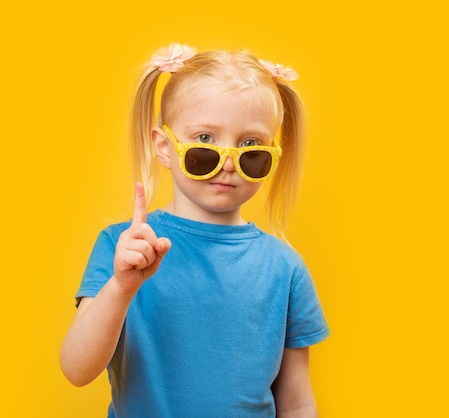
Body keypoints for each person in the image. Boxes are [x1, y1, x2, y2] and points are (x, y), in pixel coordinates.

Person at [60, 43, 329, 417]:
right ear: (164, 147)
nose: (229, 162)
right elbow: (76, 369)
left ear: (272, 154)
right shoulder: (122, 248)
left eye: (250, 145)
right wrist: (121, 287)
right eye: (205, 140)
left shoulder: (285, 269)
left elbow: (297, 402)